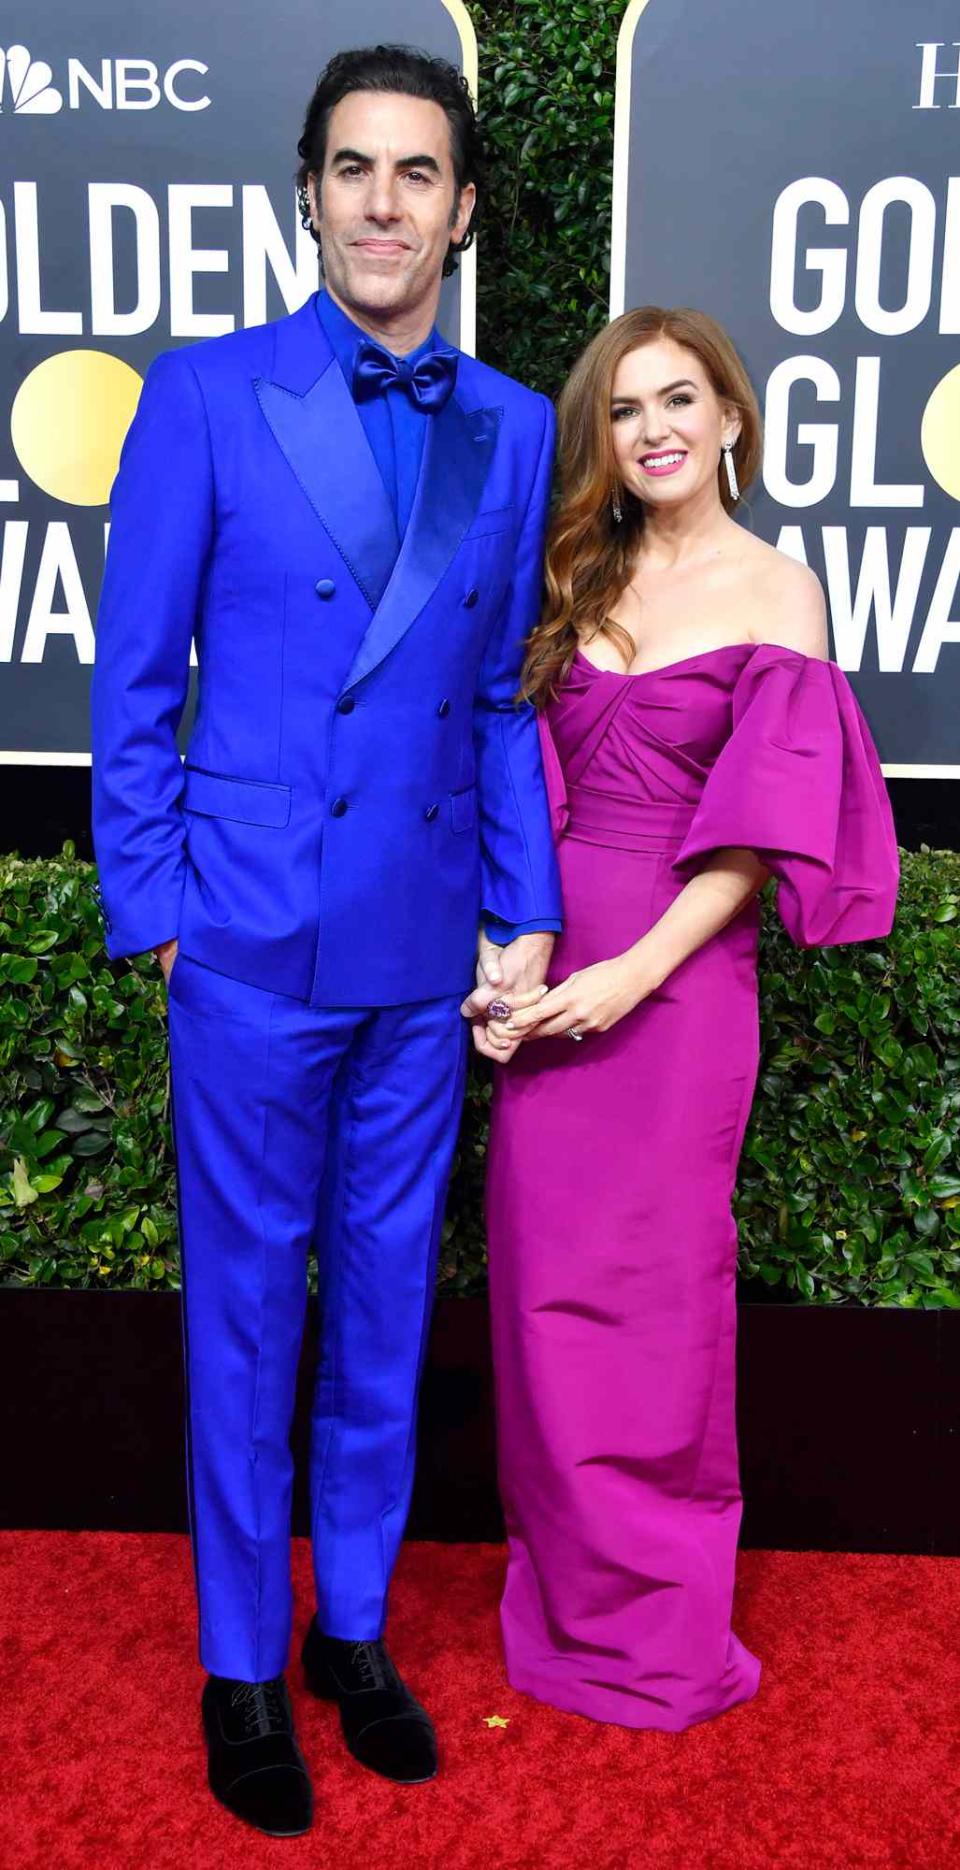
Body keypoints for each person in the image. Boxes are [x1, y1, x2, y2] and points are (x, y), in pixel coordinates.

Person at [91, 45, 560, 1837]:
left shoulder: (513, 424)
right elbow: (132, 687)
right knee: (240, 1316)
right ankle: (237, 1657)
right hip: (249, 945)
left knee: (380, 1314)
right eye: (353, 170)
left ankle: (352, 1628)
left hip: (425, 945)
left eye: (417, 174)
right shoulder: (207, 397)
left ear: (459, 207)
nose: (384, 202)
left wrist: (523, 907)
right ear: (309, 195)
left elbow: (507, 702)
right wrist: (163, 922)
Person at [482, 307, 899, 1732]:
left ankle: (658, 1623)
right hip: (552, 970)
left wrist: (625, 975)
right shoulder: (565, 573)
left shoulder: (781, 590)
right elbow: (509, 780)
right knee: (542, 1304)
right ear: (600, 436)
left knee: (653, 1310)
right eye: (624, 406)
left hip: (673, 987)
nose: (653, 426)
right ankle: (566, 1596)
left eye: (682, 397)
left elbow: (759, 832)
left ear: (730, 417)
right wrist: (512, 953)